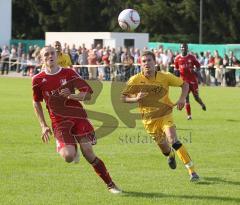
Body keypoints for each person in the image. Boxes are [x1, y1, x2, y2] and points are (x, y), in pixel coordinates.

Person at [32, 46, 121, 194]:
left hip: (78, 117)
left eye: (52, 53)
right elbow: (36, 101)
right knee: (68, 156)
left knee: (88, 152)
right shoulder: (38, 80)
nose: (49, 56)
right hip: (59, 122)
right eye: (46, 55)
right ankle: (71, 148)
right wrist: (43, 125)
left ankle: (111, 184)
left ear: (58, 55)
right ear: (42, 58)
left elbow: (87, 94)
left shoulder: (69, 73)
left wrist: (71, 96)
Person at [121, 50, 200, 182]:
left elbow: (184, 84)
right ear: (141, 64)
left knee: (173, 140)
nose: (147, 64)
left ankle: (192, 172)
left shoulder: (165, 76)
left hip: (165, 115)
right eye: (144, 61)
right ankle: (170, 155)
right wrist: (135, 99)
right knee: (164, 148)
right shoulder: (135, 80)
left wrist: (182, 99)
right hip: (149, 120)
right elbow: (122, 98)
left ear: (155, 62)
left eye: (149, 61)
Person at [174, 43, 206, 120]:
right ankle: (189, 116)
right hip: (184, 81)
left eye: (185, 47)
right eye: (182, 47)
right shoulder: (177, 58)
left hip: (193, 80)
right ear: (180, 48)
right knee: (186, 98)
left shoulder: (191, 57)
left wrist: (195, 70)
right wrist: (176, 75)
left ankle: (202, 104)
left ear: (187, 48)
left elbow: (198, 66)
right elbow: (176, 69)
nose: (183, 48)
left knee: (196, 97)